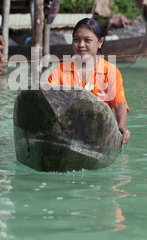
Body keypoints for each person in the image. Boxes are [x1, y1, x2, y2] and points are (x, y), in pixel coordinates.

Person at [48, 18, 130, 147]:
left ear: (100, 42)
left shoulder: (110, 72)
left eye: (87, 40)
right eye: (76, 40)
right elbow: (49, 100)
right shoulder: (59, 71)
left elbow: (119, 103)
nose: (81, 45)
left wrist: (121, 127)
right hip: (67, 132)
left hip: (100, 133)